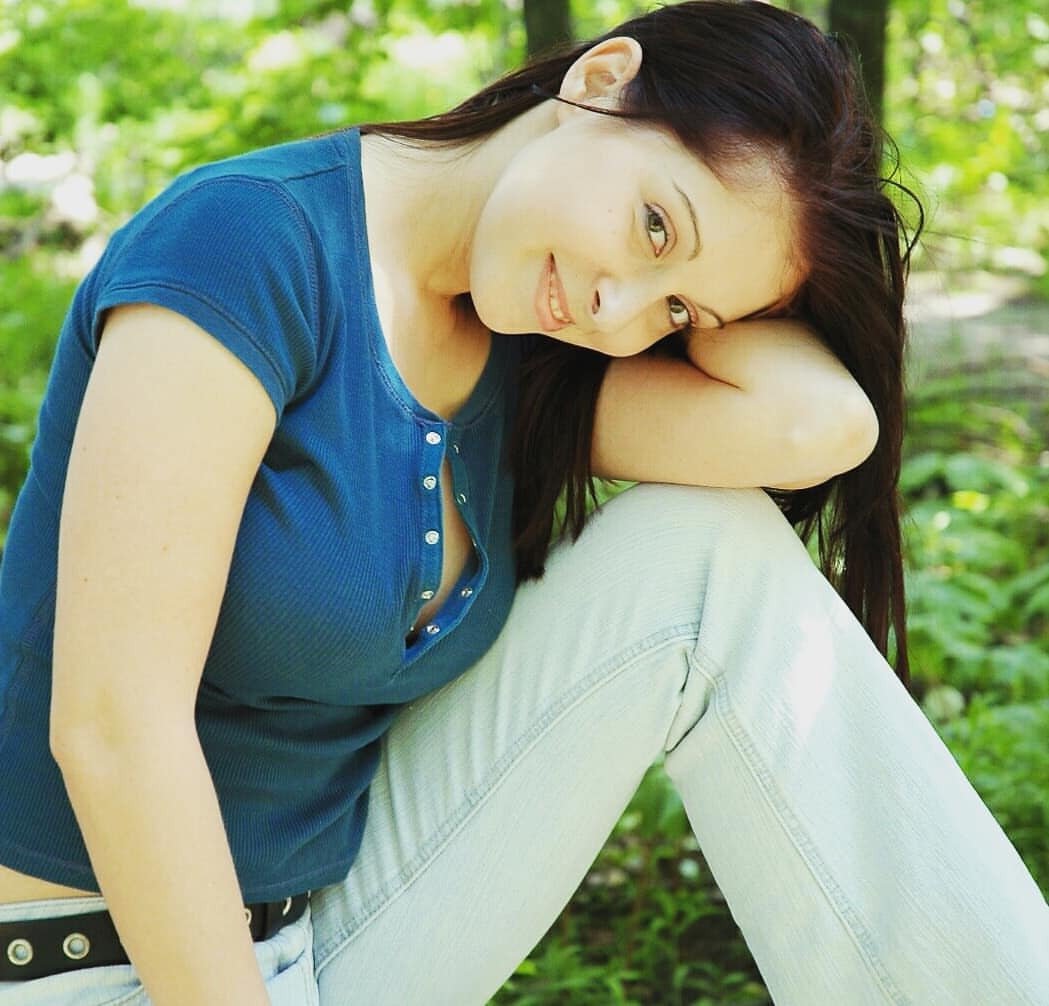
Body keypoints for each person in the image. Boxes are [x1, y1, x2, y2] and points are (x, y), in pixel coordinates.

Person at [0, 0, 1046, 1002]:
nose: (614, 311)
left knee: (701, 546)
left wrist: (731, 263)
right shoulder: (251, 244)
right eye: (650, 225)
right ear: (598, 78)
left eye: (676, 308)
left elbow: (822, 425)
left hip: (317, 936)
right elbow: (110, 725)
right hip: (79, 966)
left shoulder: (532, 363)